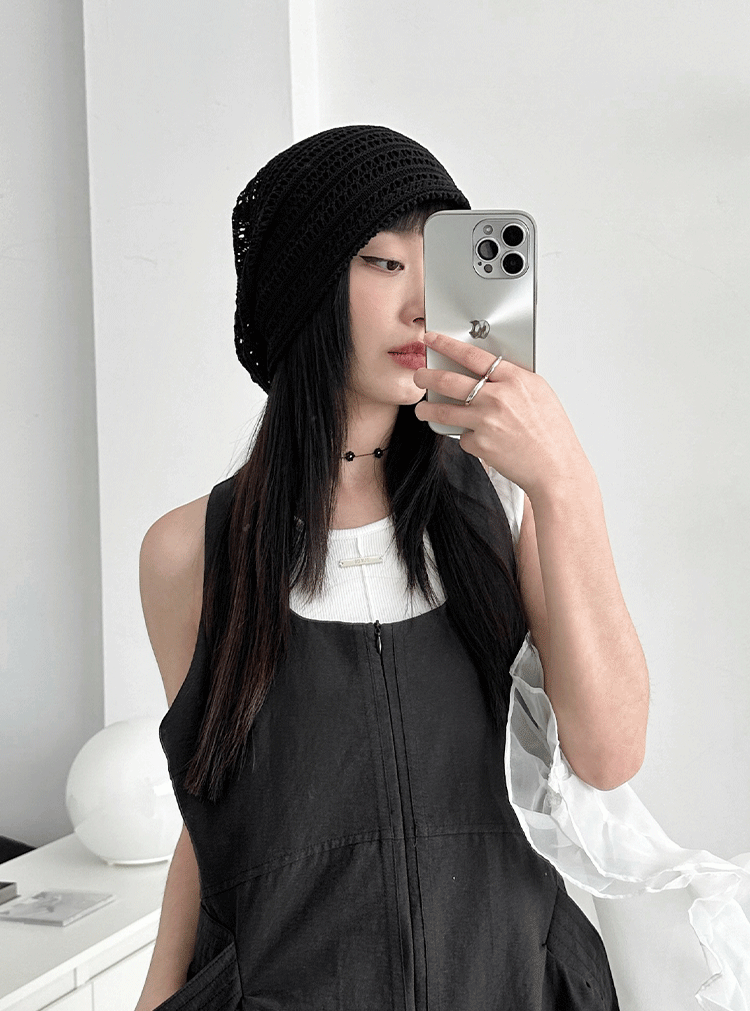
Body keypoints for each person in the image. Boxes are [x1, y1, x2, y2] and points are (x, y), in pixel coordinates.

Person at [136, 125, 650, 1011]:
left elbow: (608, 755)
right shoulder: (191, 551)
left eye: (436, 262)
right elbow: (218, 812)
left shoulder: (511, 507)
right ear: (302, 284)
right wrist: (155, 992)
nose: (422, 304)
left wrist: (565, 478)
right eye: (382, 262)